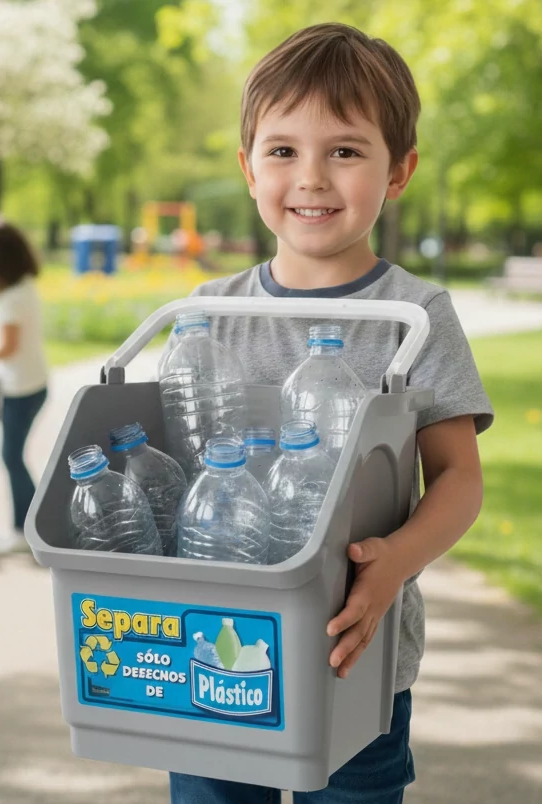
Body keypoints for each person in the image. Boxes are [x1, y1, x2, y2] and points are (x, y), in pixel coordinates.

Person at [171, 23, 493, 803]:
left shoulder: (415, 313)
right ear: (248, 169)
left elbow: (457, 477)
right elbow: (177, 465)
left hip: (357, 648)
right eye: (283, 151)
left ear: (399, 171)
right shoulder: (204, 314)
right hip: (217, 649)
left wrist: (398, 562)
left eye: (345, 151)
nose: (311, 177)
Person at [0, 215, 49, 554]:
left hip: (22, 388)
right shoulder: (23, 289)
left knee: (11, 457)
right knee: (13, 456)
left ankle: (26, 527)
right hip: (29, 383)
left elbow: (8, 346)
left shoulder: (13, 298)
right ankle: (26, 525)